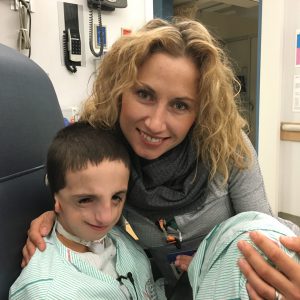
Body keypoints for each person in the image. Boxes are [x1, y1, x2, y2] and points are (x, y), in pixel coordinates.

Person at [21, 18, 300, 297]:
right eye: (144, 94)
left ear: (200, 111)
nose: (155, 124)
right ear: (120, 90)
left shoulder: (225, 145)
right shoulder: (107, 149)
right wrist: (57, 215)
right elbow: (79, 194)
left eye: (179, 105)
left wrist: (217, 268)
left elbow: (262, 231)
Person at [9, 122, 164, 300]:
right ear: (56, 200)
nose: (107, 217)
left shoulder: (120, 239)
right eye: (86, 200)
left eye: (116, 197)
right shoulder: (46, 293)